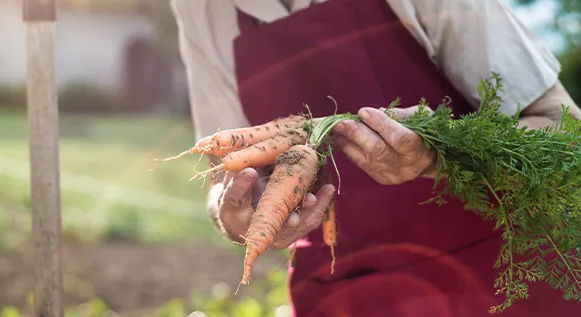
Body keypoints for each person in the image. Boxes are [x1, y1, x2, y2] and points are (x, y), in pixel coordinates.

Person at [169, 0, 581, 316]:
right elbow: (222, 176)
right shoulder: (199, 7)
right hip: (344, 292)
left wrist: (439, 153)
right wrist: (237, 214)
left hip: (501, 281)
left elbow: (565, 132)